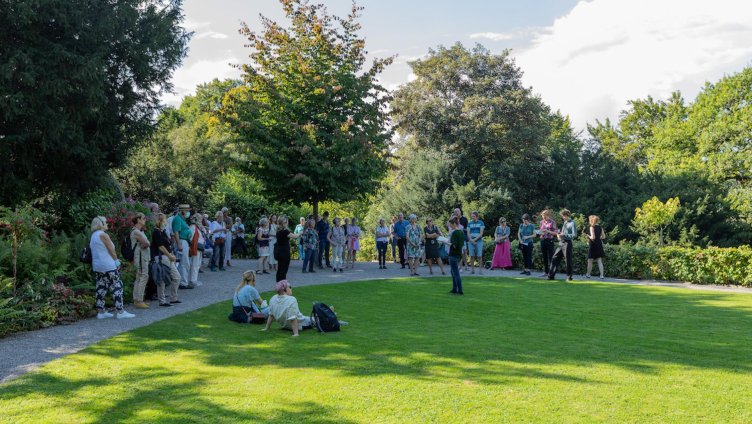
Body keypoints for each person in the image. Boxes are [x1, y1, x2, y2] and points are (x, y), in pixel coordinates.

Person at [89, 216, 135, 319]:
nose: (107, 223)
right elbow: (111, 250)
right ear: (100, 224)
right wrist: (117, 262)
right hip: (108, 265)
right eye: (105, 222)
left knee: (101, 287)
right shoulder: (103, 235)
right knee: (117, 286)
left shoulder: (93, 235)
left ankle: (100, 312)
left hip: (98, 266)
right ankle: (120, 311)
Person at [152, 213, 182, 306]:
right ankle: (162, 301)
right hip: (162, 257)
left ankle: (173, 298)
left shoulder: (163, 231)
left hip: (168, 256)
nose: (166, 222)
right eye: (164, 220)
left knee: (176, 277)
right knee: (162, 279)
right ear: (160, 221)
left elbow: (166, 245)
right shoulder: (156, 232)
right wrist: (169, 255)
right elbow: (160, 246)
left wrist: (171, 254)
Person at [548, 209, 577, 281]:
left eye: (563, 216)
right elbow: (562, 232)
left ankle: (569, 277)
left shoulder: (572, 223)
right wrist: (559, 235)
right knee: (554, 258)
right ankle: (551, 276)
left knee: (568, 260)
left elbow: (574, 235)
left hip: (567, 243)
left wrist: (564, 235)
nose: (562, 217)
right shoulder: (565, 222)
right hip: (561, 242)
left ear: (567, 215)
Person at [130, 213, 151, 309]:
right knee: (143, 277)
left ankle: (137, 299)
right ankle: (139, 300)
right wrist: (146, 243)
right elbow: (146, 243)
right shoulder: (136, 232)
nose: (145, 220)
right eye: (143, 218)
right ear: (138, 219)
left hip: (143, 257)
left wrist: (146, 243)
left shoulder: (139, 231)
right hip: (141, 258)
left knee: (139, 277)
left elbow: (146, 243)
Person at [172, 204, 194, 289]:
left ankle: (184, 281)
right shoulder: (177, 219)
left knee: (185, 263)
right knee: (184, 263)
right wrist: (179, 244)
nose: (188, 212)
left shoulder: (182, 219)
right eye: (187, 210)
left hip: (184, 242)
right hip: (181, 241)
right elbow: (176, 232)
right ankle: (183, 283)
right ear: (183, 211)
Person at [274, 216, 301, 282]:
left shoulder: (278, 231)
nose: (287, 223)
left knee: (280, 269)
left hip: (279, 252)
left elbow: (285, 239)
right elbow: (295, 236)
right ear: (284, 223)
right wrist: (301, 232)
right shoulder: (285, 231)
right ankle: (282, 286)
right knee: (284, 270)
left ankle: (278, 284)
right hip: (284, 252)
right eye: (286, 222)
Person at [538, 209, 558, 277]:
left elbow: (556, 232)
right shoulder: (541, 222)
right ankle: (545, 272)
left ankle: (551, 272)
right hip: (543, 240)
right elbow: (540, 231)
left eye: (544, 216)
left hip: (550, 240)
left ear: (547, 215)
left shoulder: (552, 222)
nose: (543, 217)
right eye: (542, 216)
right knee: (544, 257)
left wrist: (547, 231)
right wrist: (539, 232)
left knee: (551, 257)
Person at [448, 217, 464, 295]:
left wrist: (446, 243)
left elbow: (454, 245)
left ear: (454, 224)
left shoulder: (454, 233)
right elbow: (461, 244)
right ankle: (454, 289)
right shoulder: (461, 232)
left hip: (453, 254)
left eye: (450, 225)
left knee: (456, 273)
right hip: (459, 254)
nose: (450, 226)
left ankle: (460, 290)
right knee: (453, 272)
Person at [188, 215, 203, 287]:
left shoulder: (198, 227)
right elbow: (190, 238)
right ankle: (192, 280)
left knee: (197, 264)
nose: (201, 220)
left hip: (199, 249)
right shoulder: (193, 227)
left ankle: (194, 279)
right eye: (199, 219)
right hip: (195, 248)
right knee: (194, 264)